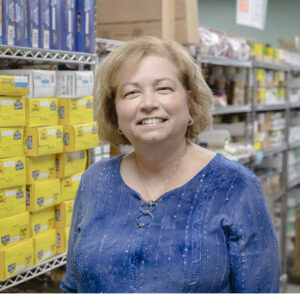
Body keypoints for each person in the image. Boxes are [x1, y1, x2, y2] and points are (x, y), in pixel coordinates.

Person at [60, 36, 280, 293]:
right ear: (115, 113)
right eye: (131, 93)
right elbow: (73, 285)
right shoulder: (95, 181)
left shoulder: (236, 186)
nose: (148, 103)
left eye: (163, 88)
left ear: (189, 100)